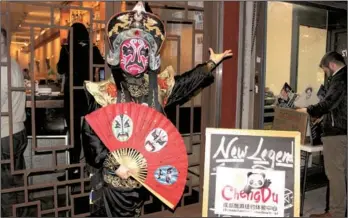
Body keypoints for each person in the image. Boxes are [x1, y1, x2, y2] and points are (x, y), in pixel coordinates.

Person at [81, 2, 232, 217]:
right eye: (128, 50)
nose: (135, 57)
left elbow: (184, 83)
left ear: (150, 55)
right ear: (118, 54)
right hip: (114, 183)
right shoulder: (107, 91)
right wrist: (114, 164)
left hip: (142, 179)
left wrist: (209, 64)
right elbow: (90, 134)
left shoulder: (156, 87)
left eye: (142, 50)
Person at [297, 51, 347, 217]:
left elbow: (329, 101)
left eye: (325, 70)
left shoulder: (340, 78)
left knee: (335, 175)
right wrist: (324, 116)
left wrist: (309, 109)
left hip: (337, 134)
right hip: (343, 130)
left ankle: (336, 213)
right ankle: (338, 210)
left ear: (332, 65)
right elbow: (339, 105)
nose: (326, 74)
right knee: (342, 173)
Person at [57, 22, 105, 181]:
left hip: (72, 98)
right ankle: (92, 170)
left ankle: (74, 170)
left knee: (74, 137)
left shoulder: (66, 49)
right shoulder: (92, 49)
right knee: (90, 134)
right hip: (88, 96)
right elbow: (102, 64)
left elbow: (60, 69)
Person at [1, 27, 28, 217]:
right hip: (17, 131)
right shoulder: (12, 64)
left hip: (4, 135)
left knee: (6, 189)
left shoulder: (3, 68)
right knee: (17, 183)